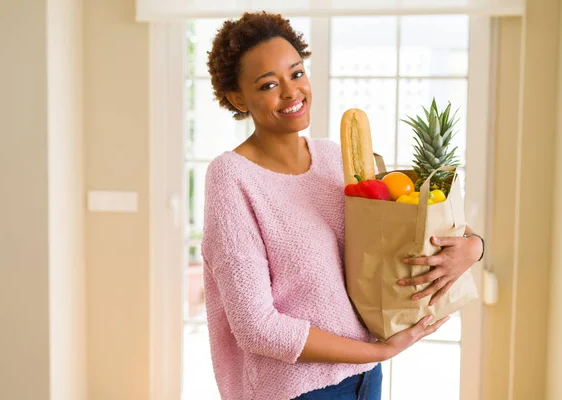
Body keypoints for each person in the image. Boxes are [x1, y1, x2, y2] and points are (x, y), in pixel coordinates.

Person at [201, 11, 484, 400]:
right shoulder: (232, 177)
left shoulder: (335, 159)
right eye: (268, 84)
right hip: (296, 390)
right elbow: (256, 328)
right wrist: (379, 350)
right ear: (237, 98)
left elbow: (399, 229)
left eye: (297, 73)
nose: (291, 92)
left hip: (367, 378)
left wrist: (472, 247)